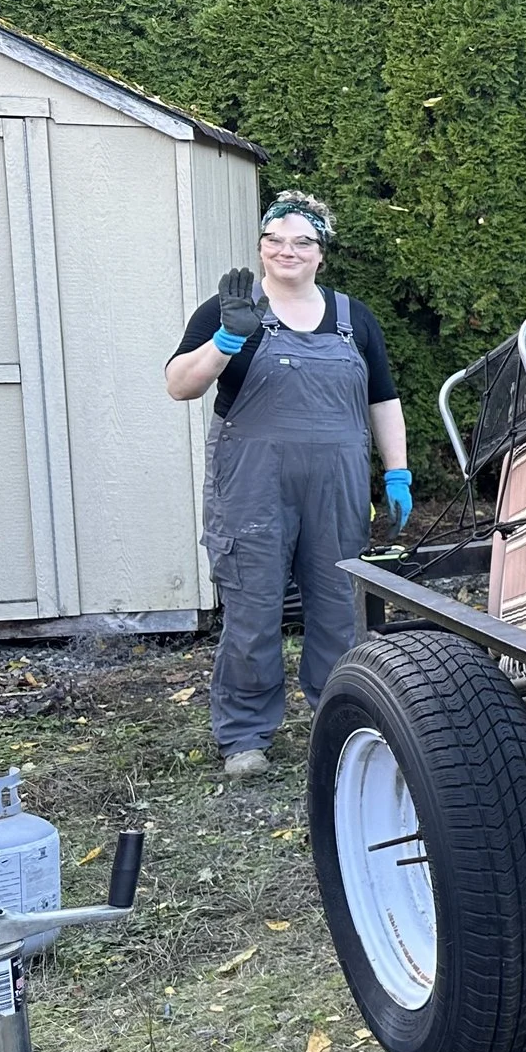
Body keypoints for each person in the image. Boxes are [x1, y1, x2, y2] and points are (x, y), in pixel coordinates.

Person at [166, 192, 410, 779]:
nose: (287, 251)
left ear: (321, 254)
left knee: (337, 610)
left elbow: (384, 399)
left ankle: (344, 724)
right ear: (260, 247)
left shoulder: (354, 319)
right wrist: (224, 342)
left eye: (303, 241)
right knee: (252, 611)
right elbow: (179, 385)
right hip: (252, 489)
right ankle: (245, 736)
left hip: (336, 490)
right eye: (275, 240)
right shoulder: (228, 310)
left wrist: (396, 470)